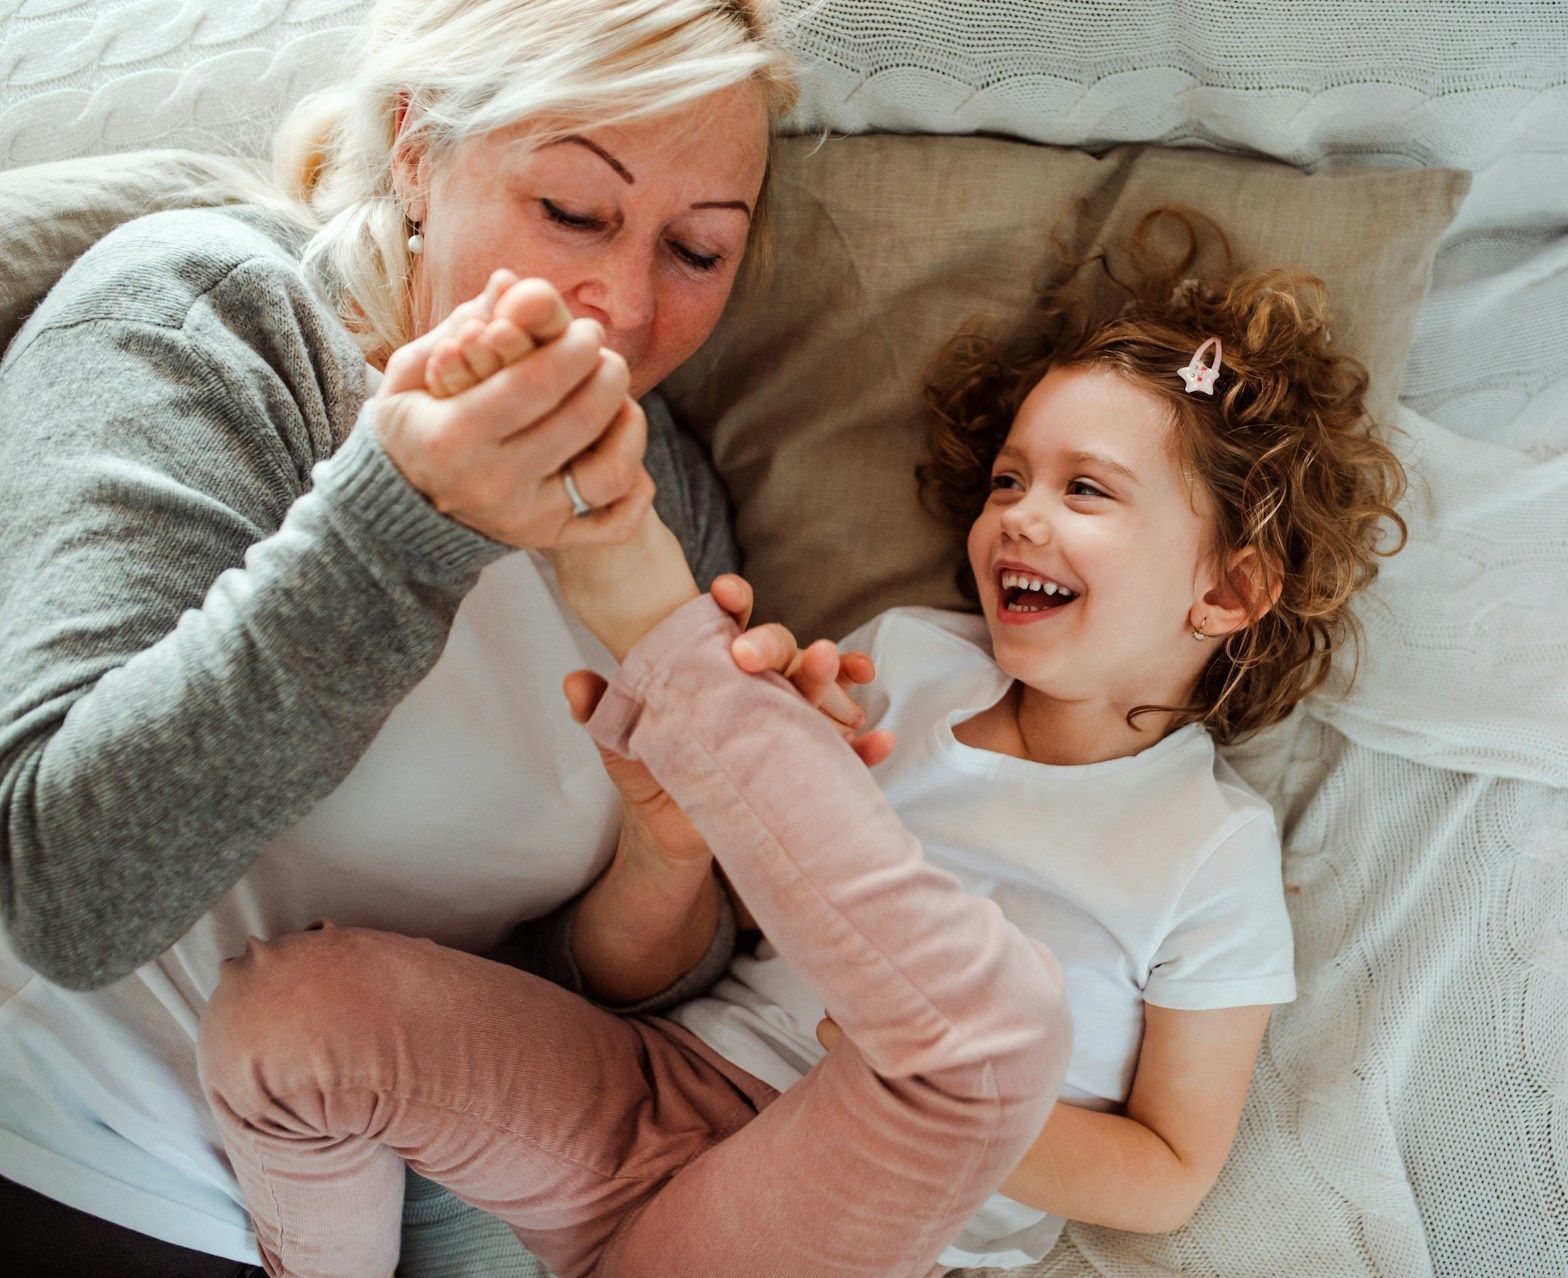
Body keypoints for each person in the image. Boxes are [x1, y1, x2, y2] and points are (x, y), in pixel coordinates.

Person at [193, 217, 1411, 1276]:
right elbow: (668, 956)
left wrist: (919, 1076)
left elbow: (1167, 1176)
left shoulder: (1210, 848)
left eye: (1087, 492)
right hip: (661, 1090)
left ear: (1233, 589)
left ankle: (643, 593)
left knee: (985, 1025)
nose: (1020, 514)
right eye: (1006, 480)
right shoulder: (908, 663)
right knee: (284, 1014)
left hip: (856, 1208)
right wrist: (681, 834)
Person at [0, 2, 855, 1273]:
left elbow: (582, 988)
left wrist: (666, 850)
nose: (621, 305)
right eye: (573, 211)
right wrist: (409, 518)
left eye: (698, 249)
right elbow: (60, 891)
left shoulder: (663, 492)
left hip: (380, 1190)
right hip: (76, 1160)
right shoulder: (218, 321)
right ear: (416, 146)